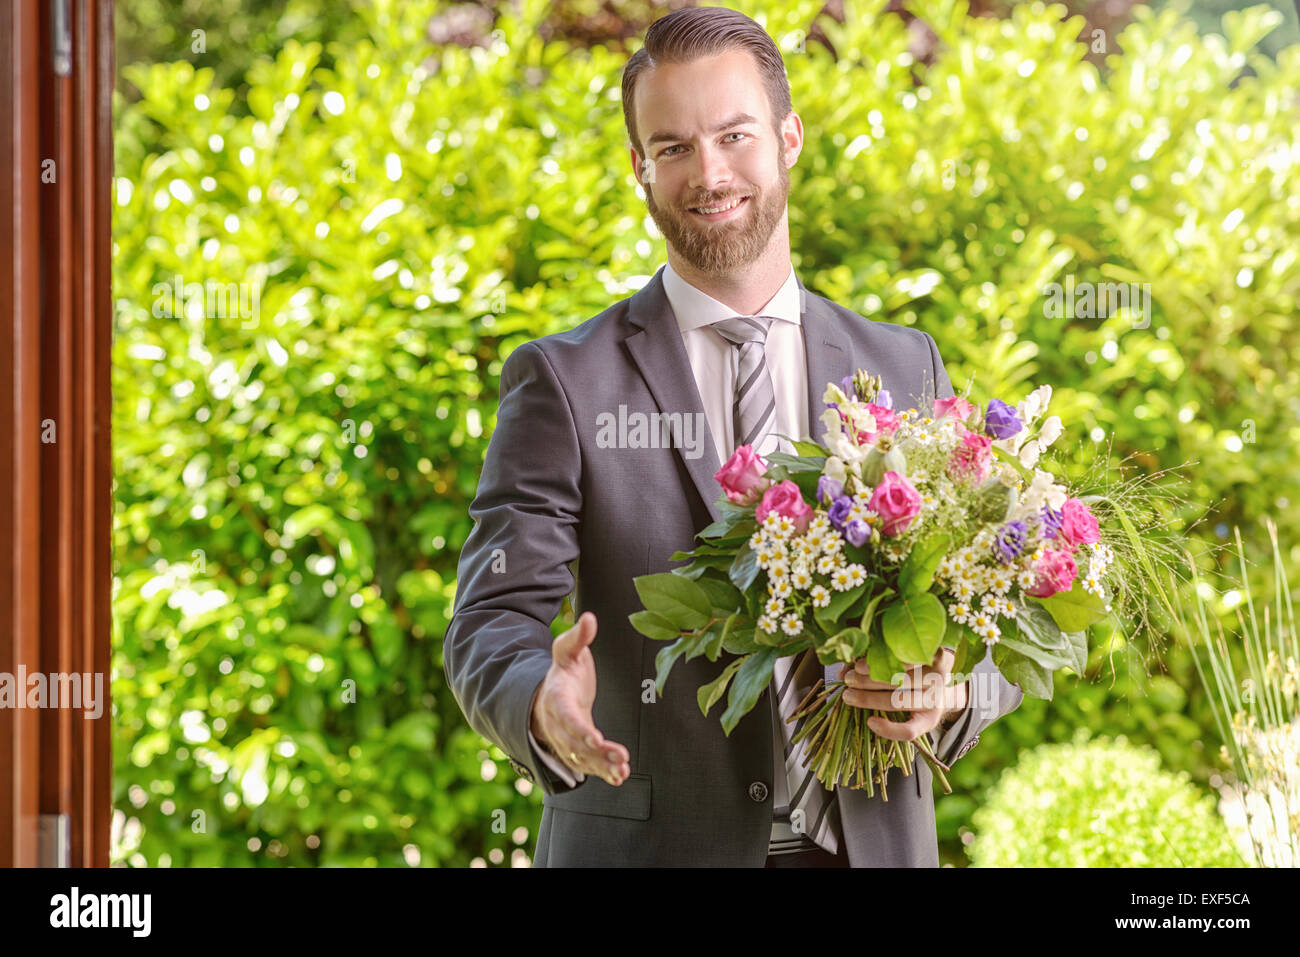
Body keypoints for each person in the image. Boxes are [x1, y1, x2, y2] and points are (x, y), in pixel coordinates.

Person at [443, 5, 1023, 867]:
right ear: (640, 168)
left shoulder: (908, 366)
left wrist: (952, 688)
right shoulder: (564, 382)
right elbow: (490, 619)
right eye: (672, 148)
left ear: (789, 138)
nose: (708, 173)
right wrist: (541, 702)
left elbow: (1002, 611)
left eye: (734, 135)